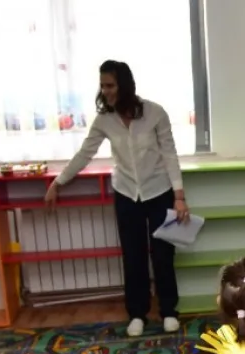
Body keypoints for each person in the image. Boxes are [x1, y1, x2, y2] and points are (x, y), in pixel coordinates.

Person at [47, 60, 187, 336]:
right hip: (126, 193)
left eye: (110, 85)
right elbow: (85, 154)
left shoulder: (155, 113)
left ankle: (169, 311)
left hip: (160, 191)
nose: (106, 91)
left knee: (163, 255)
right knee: (133, 256)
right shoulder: (104, 120)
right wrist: (58, 182)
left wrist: (179, 196)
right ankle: (137, 313)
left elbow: (170, 154)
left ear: (124, 84)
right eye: (102, 85)